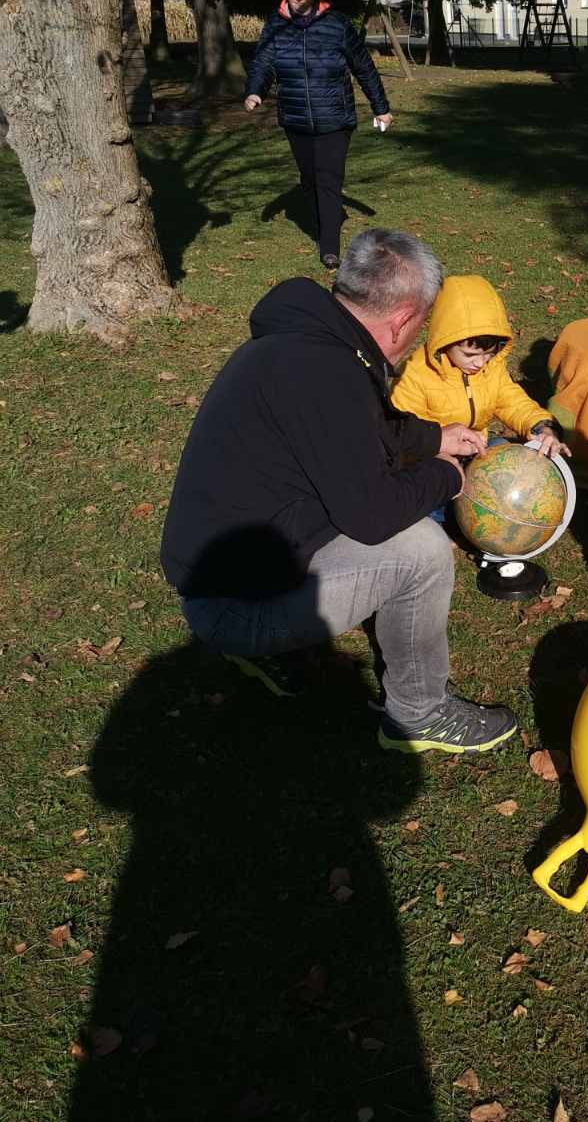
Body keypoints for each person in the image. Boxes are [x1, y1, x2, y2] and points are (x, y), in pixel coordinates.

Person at [160, 229, 519, 757]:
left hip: (228, 572)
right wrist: (447, 474)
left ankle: (272, 649)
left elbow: (364, 427)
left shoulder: (307, 341)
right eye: (420, 327)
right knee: (421, 551)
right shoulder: (326, 373)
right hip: (232, 603)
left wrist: (431, 437)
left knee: (399, 528)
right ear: (402, 319)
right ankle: (418, 715)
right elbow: (372, 516)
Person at [244, 0, 392, 273]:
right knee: (310, 179)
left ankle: (329, 248)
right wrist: (255, 90)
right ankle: (326, 212)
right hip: (295, 118)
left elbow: (363, 67)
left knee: (328, 181)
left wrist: (381, 107)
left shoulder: (337, 24)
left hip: (334, 119)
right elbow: (264, 62)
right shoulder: (276, 25)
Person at [389, 273, 570, 459]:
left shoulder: (491, 368)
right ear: (444, 341)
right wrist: (441, 448)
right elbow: (405, 432)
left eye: (489, 353)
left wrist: (543, 428)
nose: (480, 362)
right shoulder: (415, 373)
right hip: (432, 457)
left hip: (477, 450)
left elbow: (514, 403)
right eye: (469, 355)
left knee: (520, 459)